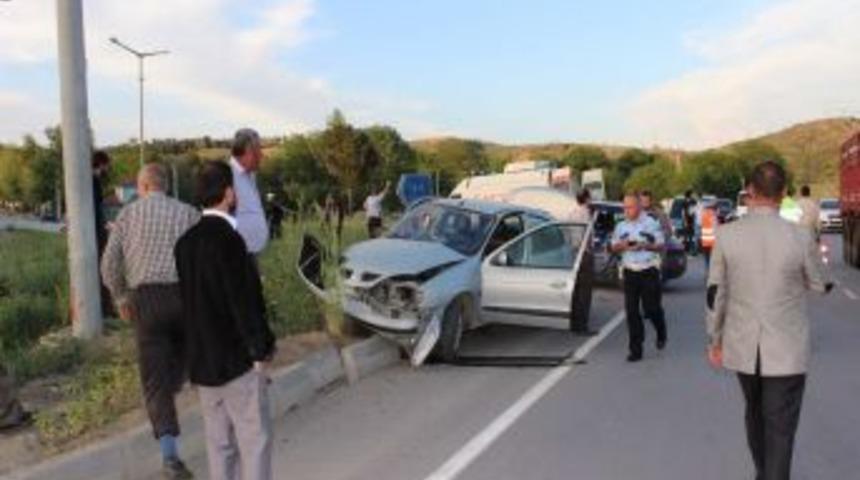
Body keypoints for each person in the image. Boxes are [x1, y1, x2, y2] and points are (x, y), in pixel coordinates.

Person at [706, 161, 832, 480]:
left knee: (755, 413)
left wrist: (715, 338)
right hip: (786, 351)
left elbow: (715, 293)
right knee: (780, 427)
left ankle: (764, 473)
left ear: (750, 191)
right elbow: (819, 283)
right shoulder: (800, 237)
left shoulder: (727, 235)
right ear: (782, 194)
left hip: (742, 346)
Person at [175, 161, 276, 480]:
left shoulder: (184, 245)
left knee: (219, 445)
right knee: (253, 439)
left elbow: (190, 304)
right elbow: (243, 302)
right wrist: (261, 349)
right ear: (229, 194)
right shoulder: (231, 242)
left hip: (202, 364)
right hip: (236, 361)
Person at [100, 164, 199, 480]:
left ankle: (171, 458)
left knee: (155, 380)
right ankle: (175, 392)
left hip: (147, 301)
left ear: (142, 187)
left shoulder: (128, 215)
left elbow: (109, 263)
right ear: (165, 186)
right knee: (186, 362)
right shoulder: (189, 213)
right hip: (185, 298)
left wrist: (120, 298)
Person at [611, 193, 667, 362]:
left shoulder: (651, 223)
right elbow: (613, 247)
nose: (626, 210)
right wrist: (621, 246)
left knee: (651, 309)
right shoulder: (620, 226)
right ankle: (636, 349)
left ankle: (661, 330)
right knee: (632, 312)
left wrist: (645, 245)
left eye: (630, 207)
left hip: (648, 270)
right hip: (630, 271)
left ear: (639, 207)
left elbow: (661, 244)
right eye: (625, 207)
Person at [229, 128, 269, 255]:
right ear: (247, 152)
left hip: (253, 252)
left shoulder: (250, 174)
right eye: (258, 151)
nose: (261, 155)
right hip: (240, 253)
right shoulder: (227, 176)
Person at [92, 150, 115, 316]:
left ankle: (105, 308)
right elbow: (96, 207)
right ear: (102, 164)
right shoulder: (94, 181)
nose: (108, 169)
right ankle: (106, 309)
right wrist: (103, 225)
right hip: (96, 232)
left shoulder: (90, 180)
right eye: (107, 165)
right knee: (104, 267)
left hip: (96, 228)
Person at [0, 364, 31, 434]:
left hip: (8, 418)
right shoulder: (9, 380)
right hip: (10, 419)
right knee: (15, 402)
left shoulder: (8, 381)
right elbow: (12, 398)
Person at [682, 190, 698, 254]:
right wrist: (685, 220)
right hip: (689, 219)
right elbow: (684, 212)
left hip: (691, 219)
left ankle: (690, 248)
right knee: (688, 235)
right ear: (689, 195)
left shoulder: (691, 201)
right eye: (692, 194)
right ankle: (688, 248)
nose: (693, 195)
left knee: (690, 235)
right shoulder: (687, 202)